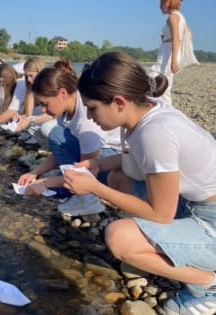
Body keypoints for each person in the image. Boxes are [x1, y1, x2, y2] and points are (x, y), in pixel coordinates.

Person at [63, 52, 216, 315]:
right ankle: (159, 247)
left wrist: (95, 189)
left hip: (210, 223)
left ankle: (207, 285)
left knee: (118, 237)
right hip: (194, 204)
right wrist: (98, 166)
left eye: (92, 108)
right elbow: (130, 161)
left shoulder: (155, 133)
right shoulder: (144, 114)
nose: (89, 118)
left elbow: (161, 214)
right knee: (118, 178)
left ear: (119, 102)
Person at [17, 64, 120, 215]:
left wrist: (46, 182)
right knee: (57, 136)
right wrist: (36, 172)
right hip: (94, 158)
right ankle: (75, 191)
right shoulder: (66, 112)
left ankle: (89, 201)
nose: (43, 111)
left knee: (57, 136)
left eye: (45, 104)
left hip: (112, 161)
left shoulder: (85, 121)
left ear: (63, 93)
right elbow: (61, 148)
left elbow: (88, 170)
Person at [149, 0, 197, 106]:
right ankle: (166, 108)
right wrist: (166, 38)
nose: (160, 7)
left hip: (169, 52)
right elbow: (189, 35)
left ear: (168, 3)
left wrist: (174, 61)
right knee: (166, 84)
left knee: (154, 79)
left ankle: (158, 107)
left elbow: (176, 38)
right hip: (169, 50)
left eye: (161, 4)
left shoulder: (173, 17)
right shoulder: (180, 16)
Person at [0, 64, 26, 133]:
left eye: (3, 82)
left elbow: (11, 111)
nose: (2, 85)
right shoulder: (15, 81)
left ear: (9, 78)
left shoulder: (21, 85)